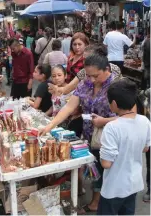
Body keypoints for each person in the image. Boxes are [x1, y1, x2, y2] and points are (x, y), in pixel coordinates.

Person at [40, 50, 119, 213]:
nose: (91, 79)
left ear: (107, 70)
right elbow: (69, 107)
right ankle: (97, 200)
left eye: (95, 76)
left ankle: (102, 202)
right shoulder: (85, 84)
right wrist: (49, 126)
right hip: (91, 135)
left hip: (113, 136)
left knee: (109, 171)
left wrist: (104, 121)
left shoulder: (117, 86)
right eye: (88, 75)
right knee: (96, 166)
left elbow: (128, 117)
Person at [97, 78, 150, 215]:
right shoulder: (145, 121)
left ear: (114, 104)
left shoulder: (112, 127)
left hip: (114, 187)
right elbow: (145, 148)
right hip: (133, 184)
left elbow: (106, 163)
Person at [49, 44, 122, 96]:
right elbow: (67, 89)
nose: (83, 61)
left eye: (86, 59)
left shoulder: (114, 70)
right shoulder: (84, 72)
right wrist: (57, 89)